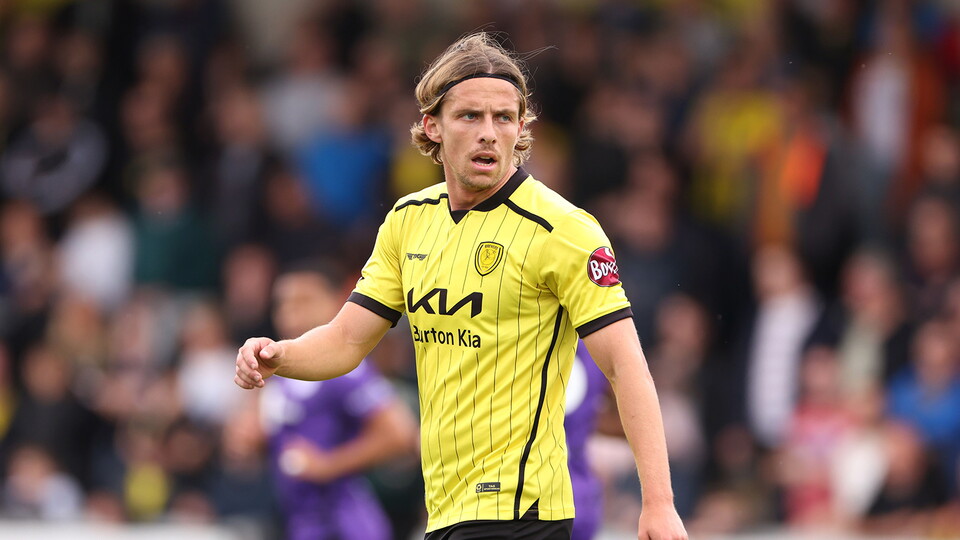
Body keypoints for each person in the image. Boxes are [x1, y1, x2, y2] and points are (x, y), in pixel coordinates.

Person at [235, 32, 687, 540]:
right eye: (470, 116)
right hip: (446, 512)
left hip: (525, 514)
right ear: (433, 126)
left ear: (521, 129)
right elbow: (345, 342)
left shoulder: (563, 229)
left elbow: (626, 367)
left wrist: (660, 502)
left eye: (504, 118)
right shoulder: (408, 222)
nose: (489, 133)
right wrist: (279, 357)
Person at [257, 261, 418, 540]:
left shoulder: (344, 371)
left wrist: (327, 464)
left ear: (335, 302)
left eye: (303, 300)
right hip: (300, 521)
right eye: (282, 303)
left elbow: (400, 434)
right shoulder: (280, 375)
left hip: (343, 523)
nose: (290, 312)